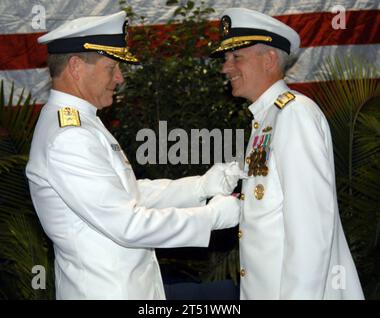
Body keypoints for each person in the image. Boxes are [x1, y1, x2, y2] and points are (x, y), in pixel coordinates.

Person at [26, 11, 242, 300]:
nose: (120, 77)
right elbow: (128, 224)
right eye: (111, 67)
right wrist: (212, 217)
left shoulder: (81, 121)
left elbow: (126, 194)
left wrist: (201, 186)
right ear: (76, 67)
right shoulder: (69, 136)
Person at [210, 8, 364, 299]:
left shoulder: (294, 115)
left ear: (269, 60)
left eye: (236, 57)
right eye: (226, 58)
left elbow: (309, 230)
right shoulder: (267, 120)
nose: (225, 68)